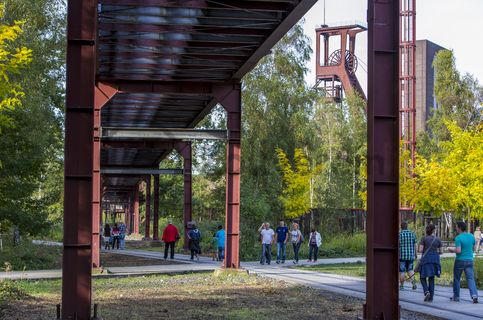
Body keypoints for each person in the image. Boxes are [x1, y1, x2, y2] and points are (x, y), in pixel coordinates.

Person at [448, 221, 478, 303]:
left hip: (460, 261)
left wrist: (451, 249)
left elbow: (458, 250)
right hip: (470, 260)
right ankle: (474, 295)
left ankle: (456, 296)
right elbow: (474, 249)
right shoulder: (471, 236)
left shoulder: (458, 238)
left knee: (457, 279)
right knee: (470, 278)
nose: (456, 228)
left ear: (460, 228)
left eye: (456, 227)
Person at [418, 224, 442, 302]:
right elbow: (441, 251)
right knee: (431, 278)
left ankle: (426, 291)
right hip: (435, 260)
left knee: (422, 277)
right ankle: (431, 298)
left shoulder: (423, 238)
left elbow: (420, 250)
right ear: (433, 230)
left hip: (426, 260)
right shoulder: (438, 239)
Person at [399, 221, 417, 290]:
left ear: (401, 227)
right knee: (410, 269)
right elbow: (415, 244)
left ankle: (402, 286)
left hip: (402, 256)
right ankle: (413, 283)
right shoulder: (412, 234)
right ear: (407, 226)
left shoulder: (399, 234)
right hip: (410, 256)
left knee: (402, 271)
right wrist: (415, 254)